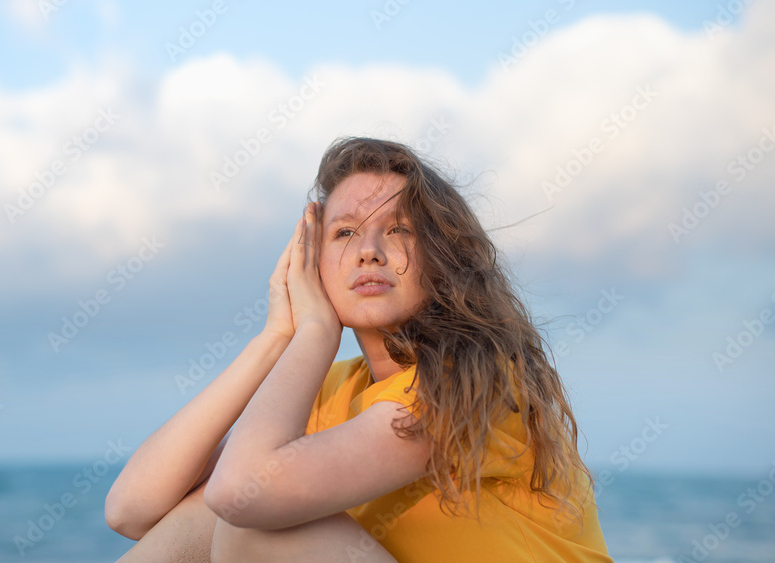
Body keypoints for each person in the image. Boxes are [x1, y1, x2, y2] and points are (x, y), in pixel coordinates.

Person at [105, 137, 613, 562]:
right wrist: (275, 338)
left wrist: (314, 334)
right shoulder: (334, 391)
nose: (369, 249)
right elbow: (131, 510)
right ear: (309, 263)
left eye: (398, 229)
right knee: (209, 513)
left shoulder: (471, 381)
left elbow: (242, 493)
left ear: (444, 259)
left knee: (252, 523)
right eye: (345, 232)